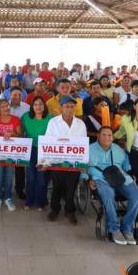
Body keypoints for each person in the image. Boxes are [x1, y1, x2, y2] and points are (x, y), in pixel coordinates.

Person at [88, 127, 138, 245]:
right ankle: (113, 228)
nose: (107, 138)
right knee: (108, 194)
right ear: (98, 136)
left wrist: (130, 174)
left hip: (120, 177)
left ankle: (127, 227)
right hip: (100, 178)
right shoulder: (90, 149)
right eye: (104, 135)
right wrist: (88, 179)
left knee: (137, 195)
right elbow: (83, 167)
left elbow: (126, 166)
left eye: (109, 135)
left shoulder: (118, 149)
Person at [45, 95, 87, 225]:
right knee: (57, 186)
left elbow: (83, 144)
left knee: (71, 187)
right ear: (61, 108)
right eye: (67, 106)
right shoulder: (53, 122)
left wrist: (82, 163)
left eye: (72, 106)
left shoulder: (80, 124)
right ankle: (55, 209)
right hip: (57, 161)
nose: (69, 109)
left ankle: (70, 210)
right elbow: (48, 141)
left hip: (74, 163)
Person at [21, 96, 52, 211]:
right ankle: (29, 201)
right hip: (30, 150)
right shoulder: (26, 117)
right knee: (30, 177)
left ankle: (41, 202)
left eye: (40, 104)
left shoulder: (50, 118)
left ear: (44, 106)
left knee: (41, 178)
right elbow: (20, 133)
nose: (38, 107)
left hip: (45, 151)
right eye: (35, 104)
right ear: (32, 106)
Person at [0, 99, 21, 212]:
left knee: (9, 178)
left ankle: (8, 198)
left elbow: (21, 136)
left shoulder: (15, 120)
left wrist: (12, 134)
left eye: (7, 106)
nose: (6, 108)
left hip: (11, 156)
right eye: (3, 106)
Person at [9, 87, 30, 199]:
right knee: (5, 166)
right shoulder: (4, 106)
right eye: (15, 94)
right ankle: (5, 188)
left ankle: (19, 189)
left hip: (21, 140)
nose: (17, 97)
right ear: (10, 95)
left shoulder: (27, 107)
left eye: (19, 95)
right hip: (6, 141)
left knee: (20, 167)